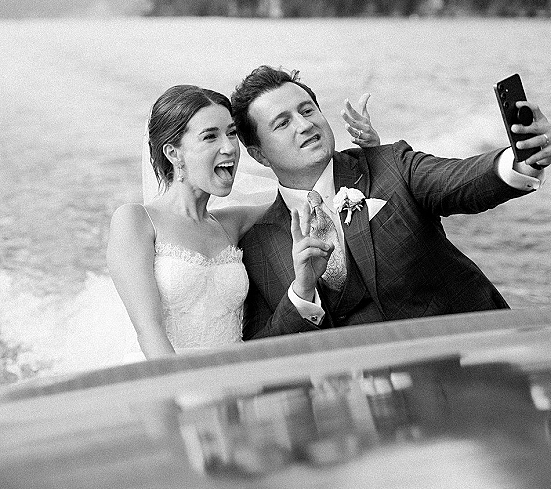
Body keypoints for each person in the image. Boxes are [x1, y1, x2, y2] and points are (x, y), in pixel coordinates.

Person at [230, 66, 551, 339]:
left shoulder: (391, 164)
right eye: (283, 123)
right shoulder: (257, 244)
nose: (304, 125)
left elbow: (460, 179)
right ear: (259, 154)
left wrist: (521, 161)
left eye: (307, 110)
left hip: (463, 367)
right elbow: (262, 348)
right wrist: (301, 293)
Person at [107, 83, 379, 359]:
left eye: (231, 133)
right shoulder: (136, 221)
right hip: (174, 381)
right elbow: (149, 332)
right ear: (173, 153)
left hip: (241, 382)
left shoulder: (232, 224)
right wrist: (182, 391)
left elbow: (309, 194)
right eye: (210, 137)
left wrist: (371, 157)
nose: (229, 148)